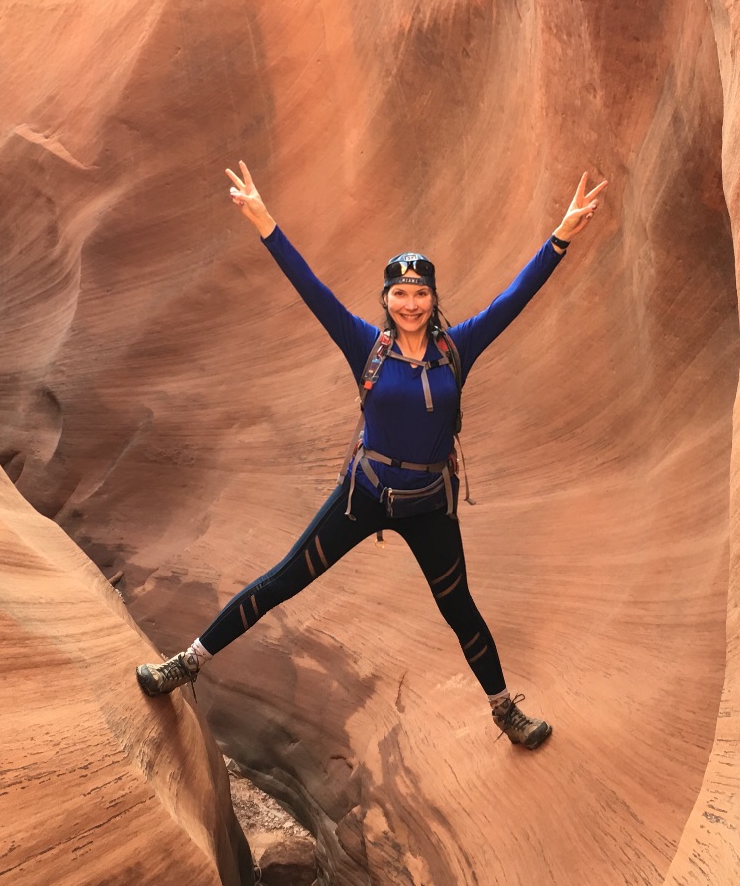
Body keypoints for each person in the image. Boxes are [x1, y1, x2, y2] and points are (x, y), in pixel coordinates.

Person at [137, 161, 606, 750]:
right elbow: (311, 289)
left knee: (461, 610)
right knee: (282, 580)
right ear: (387, 298)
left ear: (435, 299)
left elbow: (516, 296)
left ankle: (504, 711)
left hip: (429, 504)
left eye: (420, 294)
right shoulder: (365, 345)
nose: (410, 304)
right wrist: (264, 221)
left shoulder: (458, 346)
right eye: (400, 294)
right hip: (364, 495)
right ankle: (185, 664)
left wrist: (561, 235)